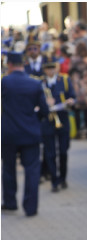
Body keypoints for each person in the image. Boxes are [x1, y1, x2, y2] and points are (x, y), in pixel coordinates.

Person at [1, 51, 49, 216]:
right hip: (30, 132)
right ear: (23, 65)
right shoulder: (34, 84)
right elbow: (44, 109)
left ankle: (10, 202)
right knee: (32, 170)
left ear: (9, 65)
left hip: (8, 133)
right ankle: (30, 207)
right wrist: (34, 119)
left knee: (8, 169)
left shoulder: (4, 82)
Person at [40, 61, 76, 191]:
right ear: (45, 70)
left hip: (62, 119)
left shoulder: (64, 80)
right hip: (48, 121)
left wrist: (70, 101)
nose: (50, 71)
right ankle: (54, 181)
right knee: (49, 153)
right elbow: (36, 102)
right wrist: (45, 102)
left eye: (52, 68)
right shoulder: (41, 83)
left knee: (63, 151)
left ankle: (63, 178)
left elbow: (72, 96)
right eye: (48, 68)